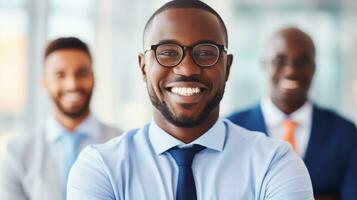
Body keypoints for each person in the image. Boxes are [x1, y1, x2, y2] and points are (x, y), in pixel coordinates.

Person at [67, 1, 313, 200]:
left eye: (205, 53)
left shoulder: (275, 164)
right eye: (167, 52)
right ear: (143, 67)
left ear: (227, 68)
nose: (186, 68)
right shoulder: (101, 168)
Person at [228, 27, 357, 200]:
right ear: (264, 65)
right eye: (279, 61)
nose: (291, 71)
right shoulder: (231, 129)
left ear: (314, 68)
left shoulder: (344, 132)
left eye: (302, 62)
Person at [0, 37, 122, 200]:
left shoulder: (122, 145)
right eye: (60, 74)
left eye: (82, 73)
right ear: (44, 82)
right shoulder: (17, 154)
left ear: (94, 78)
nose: (72, 84)